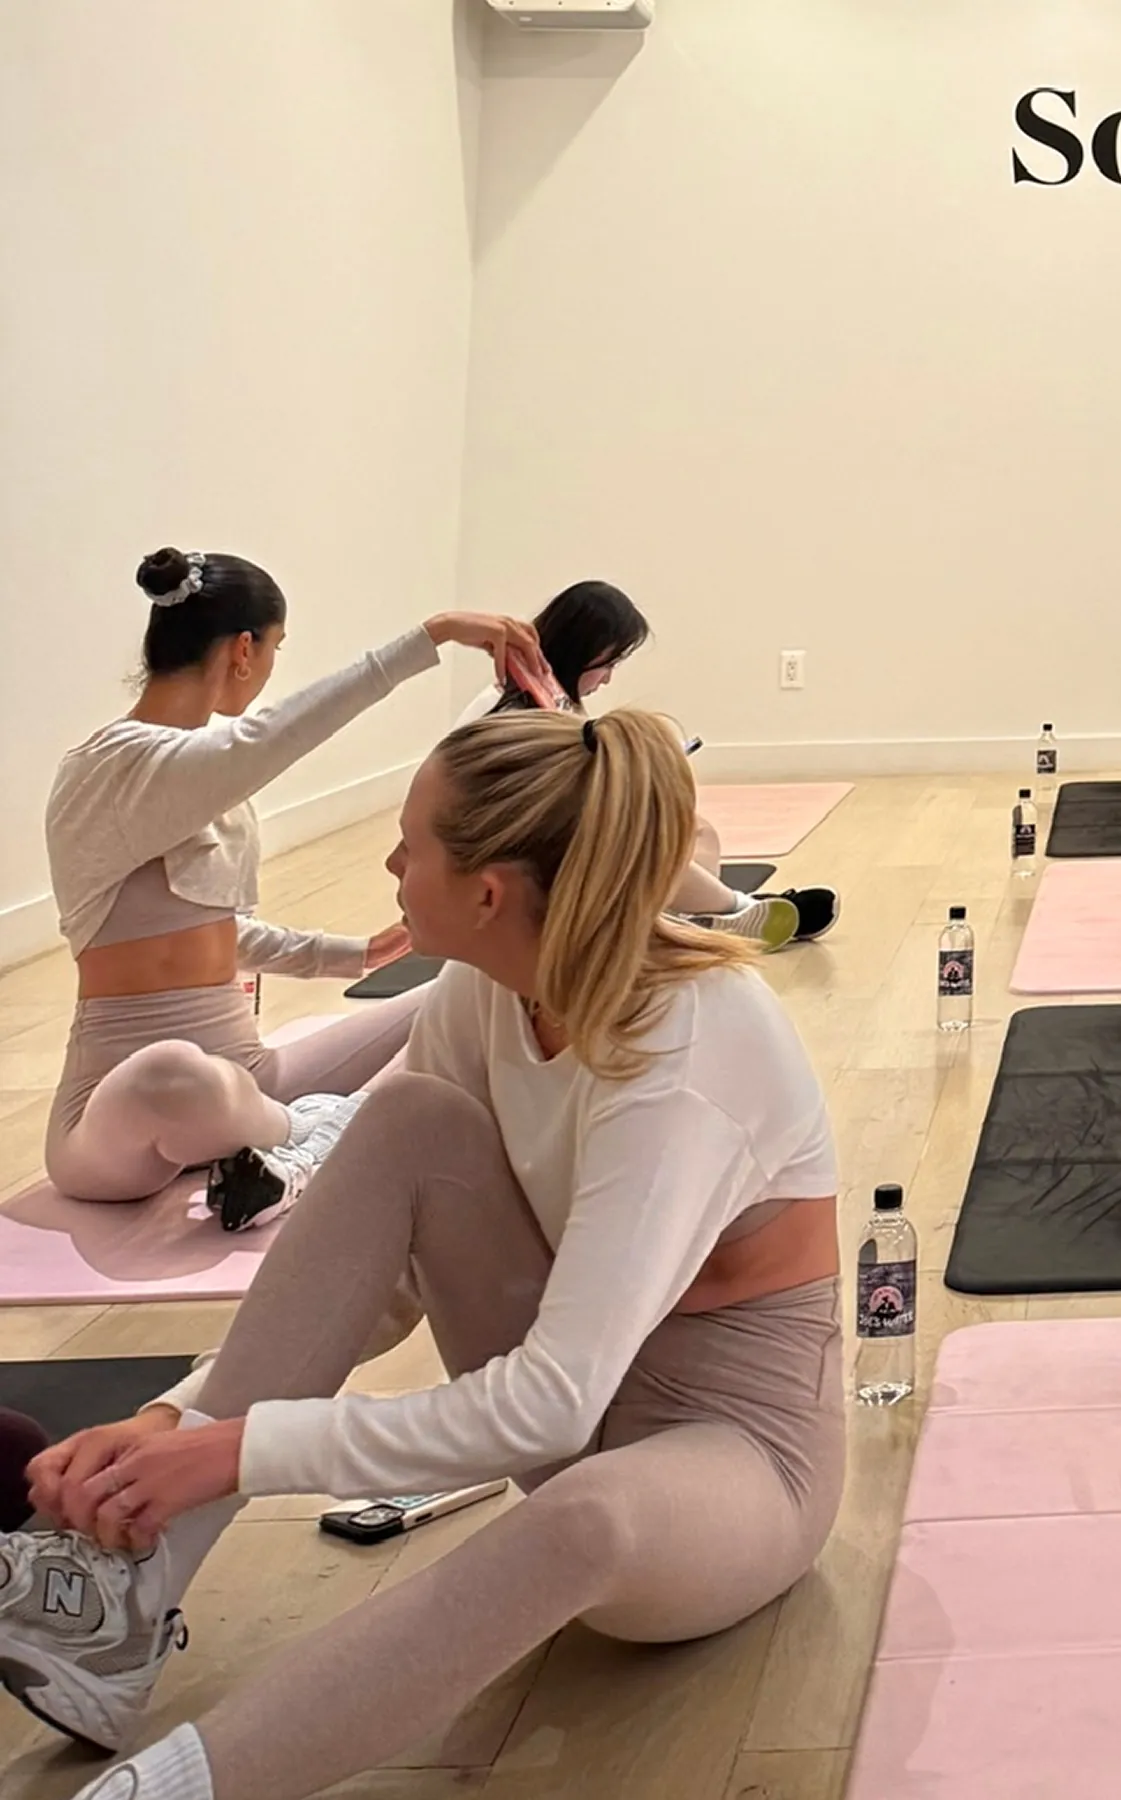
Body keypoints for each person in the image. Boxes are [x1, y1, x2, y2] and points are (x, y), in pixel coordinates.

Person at [0, 707, 844, 1800]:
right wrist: (176, 1427)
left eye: (412, 843)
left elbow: (547, 1408)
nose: (390, 863)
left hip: (735, 1463)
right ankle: (117, 1607)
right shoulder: (487, 991)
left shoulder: (686, 1044)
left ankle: (161, 1793)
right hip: (584, 1403)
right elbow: (382, 1285)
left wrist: (240, 1450)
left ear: (488, 890)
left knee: (578, 1518)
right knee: (406, 1121)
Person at [44, 548, 555, 1224]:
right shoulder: (114, 769)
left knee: (475, 989)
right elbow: (268, 740)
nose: (271, 666)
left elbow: (217, 932)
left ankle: (298, 1139)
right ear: (244, 650)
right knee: (176, 1073)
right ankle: (319, 1130)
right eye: (278, 647)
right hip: (123, 1112)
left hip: (250, 1078)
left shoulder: (193, 778)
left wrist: (352, 954)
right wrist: (429, 637)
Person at [462, 579, 837, 949]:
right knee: (644, 841)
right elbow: (534, 807)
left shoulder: (550, 698)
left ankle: (700, 918)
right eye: (607, 664)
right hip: (516, 850)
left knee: (694, 831)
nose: (607, 678)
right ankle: (739, 910)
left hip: (547, 838)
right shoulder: (512, 708)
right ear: (580, 651)